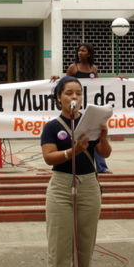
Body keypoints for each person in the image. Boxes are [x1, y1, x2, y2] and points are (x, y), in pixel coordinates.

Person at [40, 76, 111, 267]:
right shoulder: (52, 127)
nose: (74, 97)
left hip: (88, 184)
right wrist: (73, 151)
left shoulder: (90, 122)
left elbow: (104, 154)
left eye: (78, 93)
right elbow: (48, 157)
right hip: (61, 186)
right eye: (69, 93)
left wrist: (104, 137)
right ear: (58, 97)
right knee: (59, 249)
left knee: (85, 247)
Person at [52, 43, 112, 173]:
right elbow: (65, 82)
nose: (80, 53)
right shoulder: (73, 67)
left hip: (90, 107)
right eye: (79, 50)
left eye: (83, 50)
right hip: (77, 107)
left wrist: (117, 81)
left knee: (94, 135)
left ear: (89, 53)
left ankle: (101, 166)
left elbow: (99, 86)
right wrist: (58, 79)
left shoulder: (93, 68)